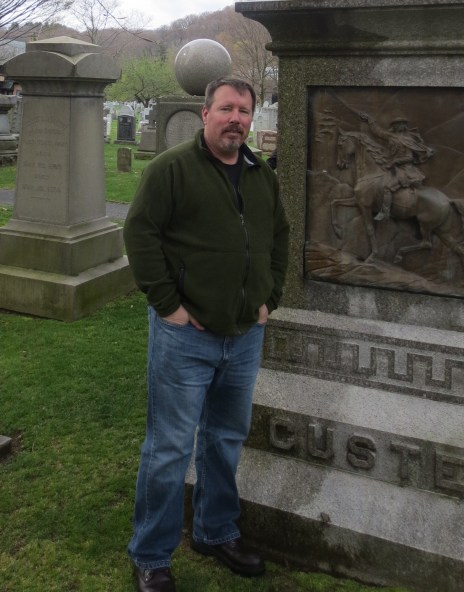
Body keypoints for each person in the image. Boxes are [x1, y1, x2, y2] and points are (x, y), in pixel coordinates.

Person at [124, 77, 290, 592]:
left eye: (244, 111)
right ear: (206, 113)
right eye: (226, 109)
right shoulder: (171, 169)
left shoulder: (262, 175)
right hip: (185, 337)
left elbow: (279, 237)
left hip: (244, 334)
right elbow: (139, 233)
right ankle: (151, 554)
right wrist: (169, 306)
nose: (235, 119)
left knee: (225, 439)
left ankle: (216, 531)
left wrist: (269, 297)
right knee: (170, 448)